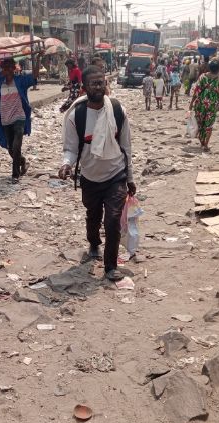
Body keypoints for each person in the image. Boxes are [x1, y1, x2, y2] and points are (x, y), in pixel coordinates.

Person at [58, 65, 136, 282]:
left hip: (115, 175)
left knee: (112, 220)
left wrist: (130, 178)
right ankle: (93, 242)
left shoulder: (118, 111)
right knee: (93, 216)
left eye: (101, 82)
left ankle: (110, 266)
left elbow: (126, 147)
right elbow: (71, 149)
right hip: (90, 177)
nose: (99, 87)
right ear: (84, 87)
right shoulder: (77, 116)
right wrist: (66, 164)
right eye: (94, 83)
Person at [0, 57, 37, 183]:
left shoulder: (20, 80)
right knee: (11, 149)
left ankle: (15, 174)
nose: (6, 70)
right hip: (5, 120)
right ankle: (22, 161)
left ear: (13, 68)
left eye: (9, 67)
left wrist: (38, 58)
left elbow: (34, 76)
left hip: (19, 117)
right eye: (4, 68)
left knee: (16, 145)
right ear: (2, 70)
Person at [189, 60, 219, 152]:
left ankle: (202, 143)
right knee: (208, 125)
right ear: (218, 69)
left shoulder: (203, 77)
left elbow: (197, 90)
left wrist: (191, 103)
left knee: (200, 124)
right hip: (212, 104)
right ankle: (206, 145)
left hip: (200, 103)